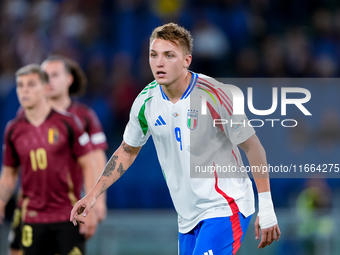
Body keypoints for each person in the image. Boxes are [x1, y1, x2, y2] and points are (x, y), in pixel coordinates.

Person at [70, 23, 281, 254]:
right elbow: (127, 151)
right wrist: (92, 195)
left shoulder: (215, 95)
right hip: (188, 217)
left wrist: (267, 206)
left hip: (226, 206)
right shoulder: (145, 102)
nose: (159, 62)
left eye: (169, 55)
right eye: (154, 55)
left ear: (186, 60)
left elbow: (253, 147)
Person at [7, 55, 108, 255]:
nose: (49, 80)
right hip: (29, 207)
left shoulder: (84, 116)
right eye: (45, 76)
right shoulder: (24, 115)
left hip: (66, 207)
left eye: (54, 75)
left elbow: (96, 159)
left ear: (68, 79)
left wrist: (98, 203)